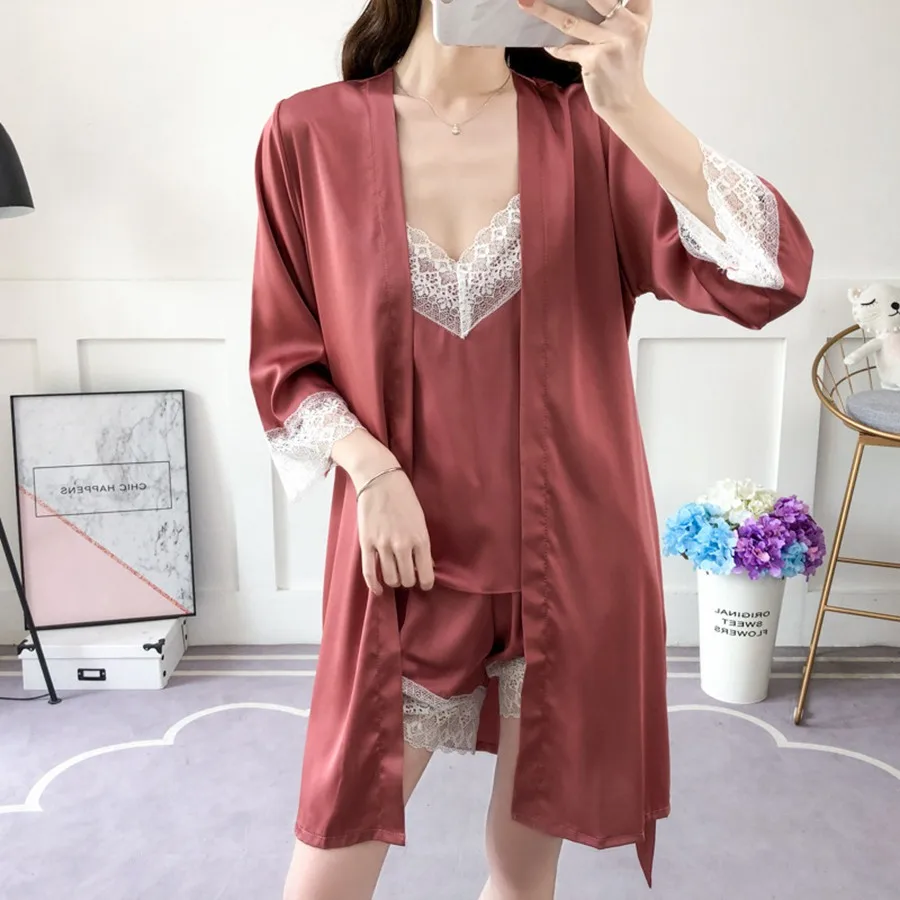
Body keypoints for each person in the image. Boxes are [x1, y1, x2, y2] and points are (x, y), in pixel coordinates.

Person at [249, 0, 814, 897]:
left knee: (521, 870)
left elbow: (770, 274)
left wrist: (631, 105)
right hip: (403, 561)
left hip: (572, 562)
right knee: (328, 863)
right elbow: (285, 359)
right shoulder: (306, 134)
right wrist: (371, 467)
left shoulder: (590, 135)